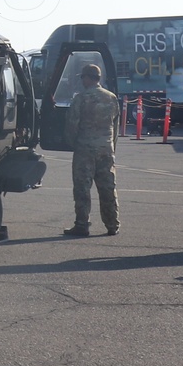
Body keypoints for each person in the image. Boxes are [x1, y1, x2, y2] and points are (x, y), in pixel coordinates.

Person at [62, 62, 120, 236]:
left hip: (85, 149)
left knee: (82, 188)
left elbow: (72, 125)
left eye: (82, 77)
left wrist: (73, 143)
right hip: (106, 149)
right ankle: (112, 224)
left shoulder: (80, 98)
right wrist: (111, 146)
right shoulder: (111, 97)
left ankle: (82, 224)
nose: (82, 81)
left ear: (87, 78)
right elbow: (115, 126)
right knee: (108, 187)